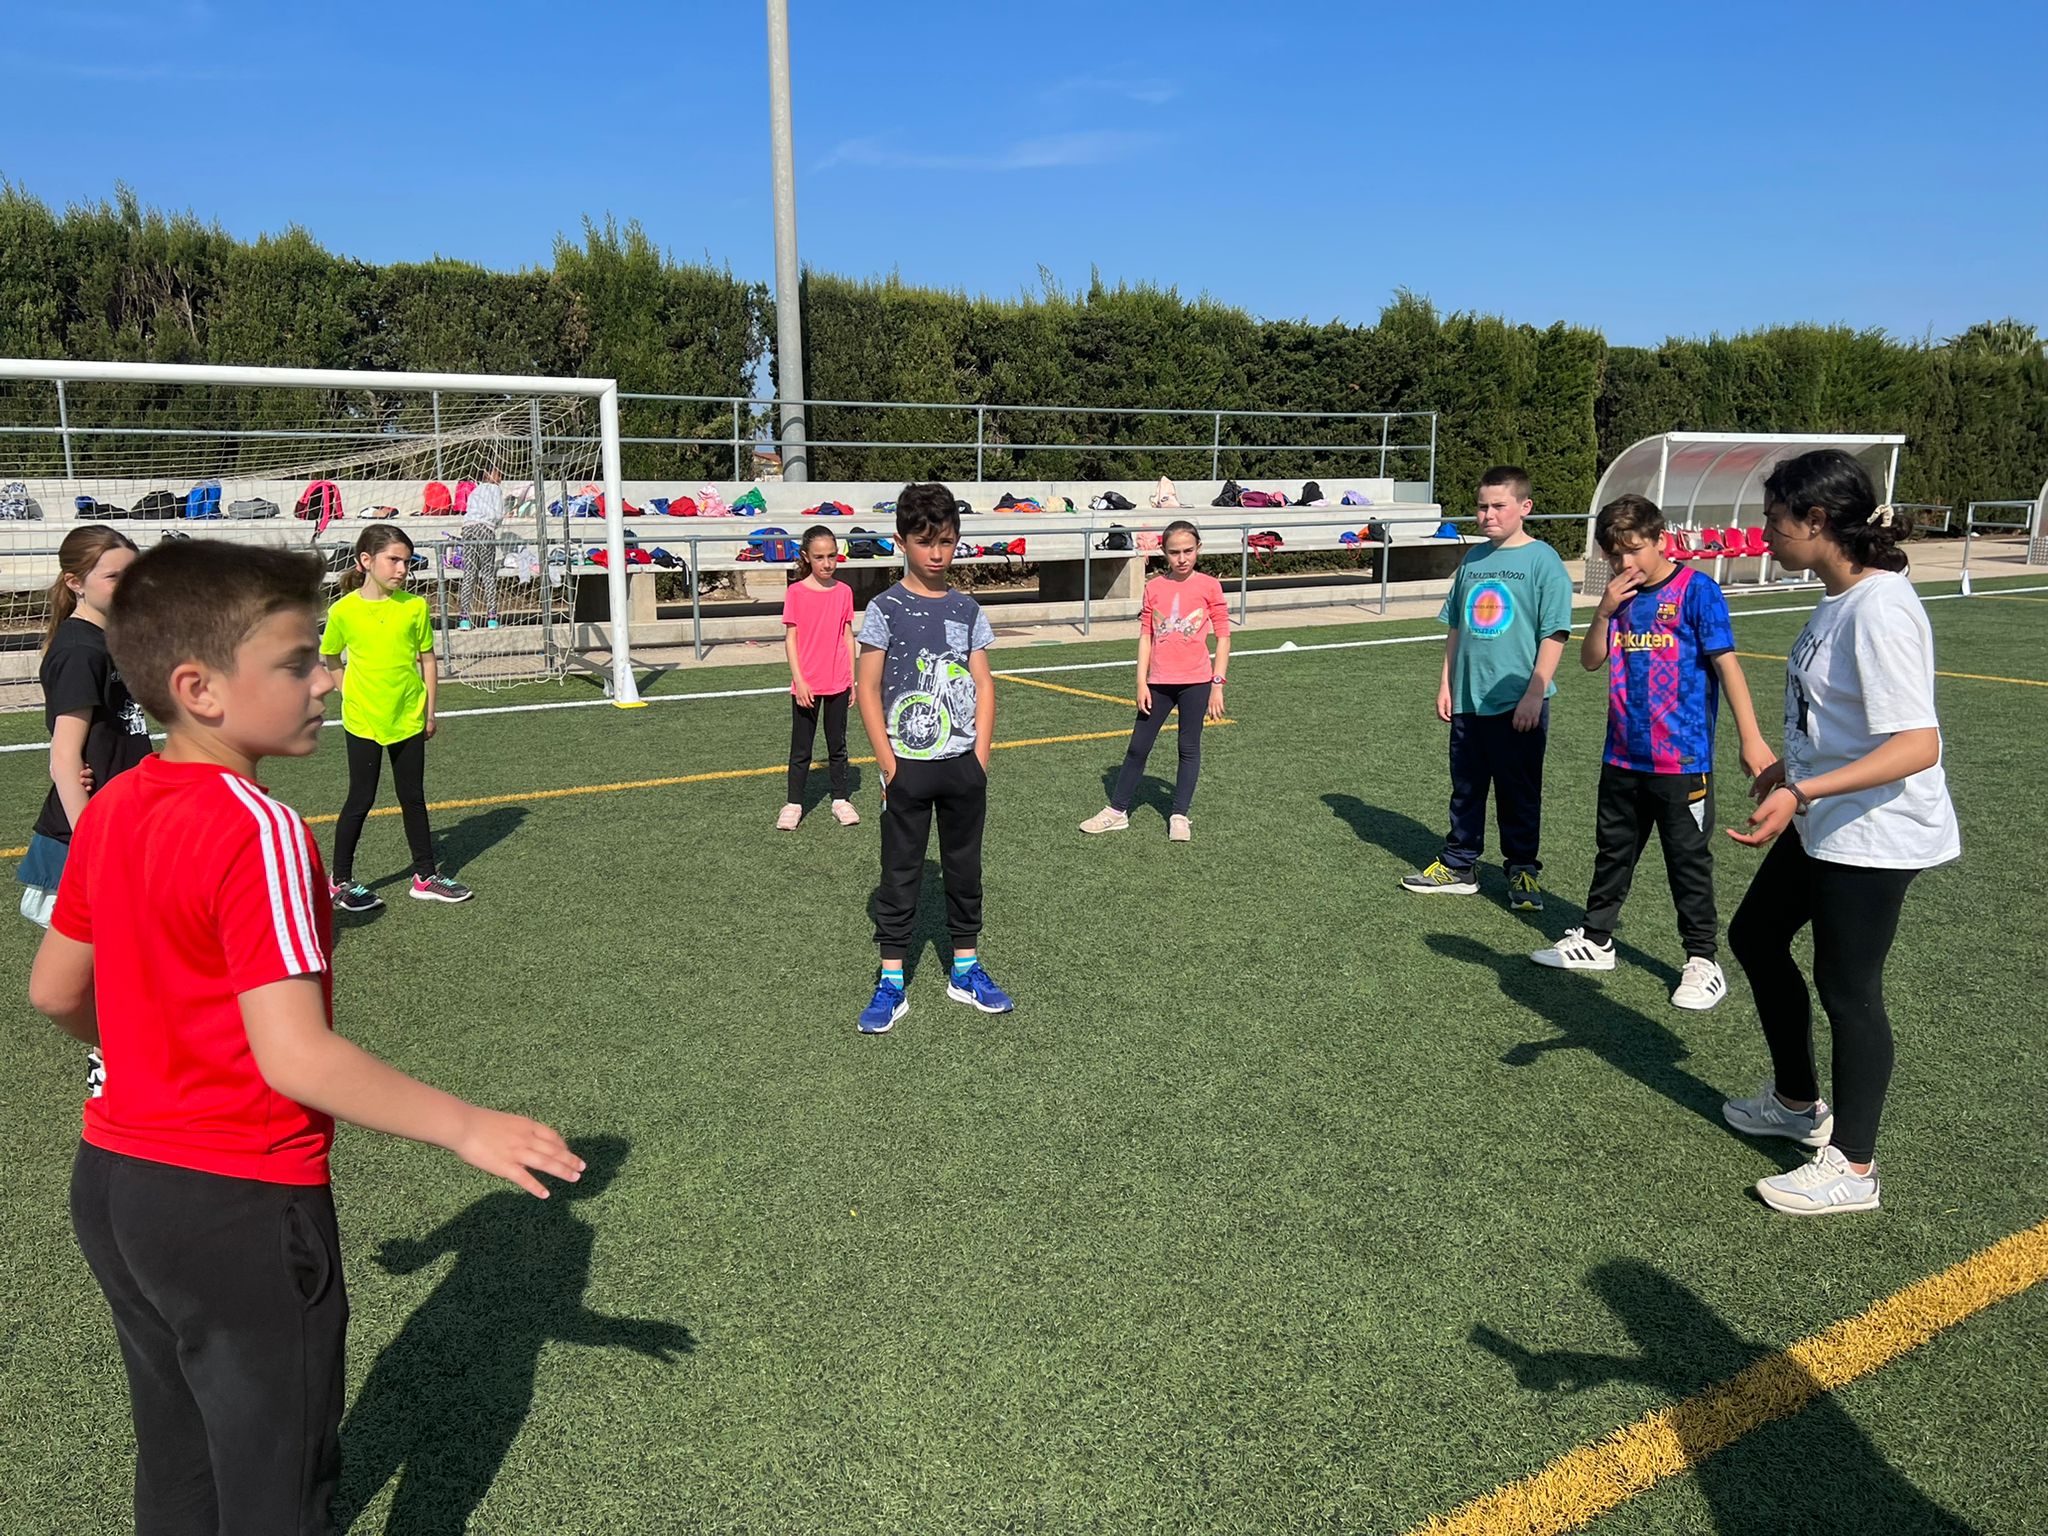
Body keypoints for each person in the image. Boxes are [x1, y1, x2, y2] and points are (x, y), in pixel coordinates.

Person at [27, 538, 583, 1535]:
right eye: (297, 663)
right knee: (277, 1496)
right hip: (235, 1205)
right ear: (199, 689)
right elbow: (296, 1056)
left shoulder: (113, 808)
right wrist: (465, 1125)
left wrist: (146, 1051)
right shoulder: (261, 829)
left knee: (179, 1466)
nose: (325, 679)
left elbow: (53, 991)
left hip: (114, 1187)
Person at [1719, 450, 1959, 1215]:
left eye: (1773, 520)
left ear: (1816, 520)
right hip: (1826, 815)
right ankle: (1796, 1103)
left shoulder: (1880, 607)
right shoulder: (1840, 599)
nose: (1765, 534)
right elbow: (1839, 718)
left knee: (1848, 989)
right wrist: (1788, 770)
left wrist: (1803, 788)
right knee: (1757, 936)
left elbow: (1916, 745)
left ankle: (1854, 1166)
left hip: (1876, 830)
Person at [1530, 494, 1774, 1008]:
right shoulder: (1618, 597)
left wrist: (1750, 738)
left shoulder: (1697, 591)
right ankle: (1596, 939)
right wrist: (1603, 611)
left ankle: (1702, 960)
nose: (1625, 562)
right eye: (1615, 554)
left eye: (1634, 549)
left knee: (1687, 860)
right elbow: (1591, 661)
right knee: (1613, 851)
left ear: (1661, 540)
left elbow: (1727, 666)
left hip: (1681, 760)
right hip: (1622, 753)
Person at [853, 482, 1013, 1033]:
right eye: (925, 542)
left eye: (946, 541)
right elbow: (866, 686)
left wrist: (980, 757)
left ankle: (965, 970)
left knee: (965, 871)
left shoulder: (967, 609)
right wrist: (887, 763)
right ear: (902, 542)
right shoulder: (885, 608)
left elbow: (984, 682)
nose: (937, 553)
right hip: (907, 767)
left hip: (962, 766)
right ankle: (891, 980)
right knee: (899, 875)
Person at [1402, 467, 1574, 909]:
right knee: (1466, 787)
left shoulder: (1543, 560)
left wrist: (1534, 693)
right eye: (1482, 506)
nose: (1488, 514)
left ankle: (1522, 869)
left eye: (1499, 505)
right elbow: (1456, 627)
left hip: (1518, 701)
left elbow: (1554, 632)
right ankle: (1460, 865)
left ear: (1525, 507)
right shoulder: (1473, 560)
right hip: (1469, 698)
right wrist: (1446, 683)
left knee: (1519, 791)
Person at [322, 524, 472, 910]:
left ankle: (425, 876)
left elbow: (427, 660)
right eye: (393, 560)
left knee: (413, 797)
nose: (402, 569)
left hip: (408, 716)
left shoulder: (414, 607)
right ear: (366, 560)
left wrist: (429, 711)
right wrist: (348, 694)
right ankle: (339, 880)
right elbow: (331, 657)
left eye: (407, 561)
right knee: (361, 798)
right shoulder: (343, 611)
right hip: (364, 720)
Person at [19, 526, 150, 932]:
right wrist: (92, 845)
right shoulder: (81, 651)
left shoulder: (108, 640)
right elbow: (64, 756)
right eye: (113, 577)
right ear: (75, 583)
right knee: (93, 962)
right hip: (88, 833)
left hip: (121, 822)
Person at [1079, 519, 1230, 842]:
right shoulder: (1154, 588)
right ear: (1164, 552)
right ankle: (1117, 811)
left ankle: (1179, 815)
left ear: (1199, 549)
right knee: (1138, 748)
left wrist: (1217, 684)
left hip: (1196, 682)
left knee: (1188, 748)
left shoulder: (1209, 586)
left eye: (1188, 551)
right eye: (1174, 552)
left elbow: (1223, 637)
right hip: (1159, 682)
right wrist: (1141, 682)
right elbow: (1146, 636)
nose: (1182, 558)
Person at [778, 525, 860, 831]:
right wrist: (799, 680)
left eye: (832, 556)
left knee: (837, 744)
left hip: (838, 680)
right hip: (807, 684)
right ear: (806, 557)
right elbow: (791, 638)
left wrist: (852, 678)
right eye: (819, 557)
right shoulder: (796, 592)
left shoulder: (844, 592)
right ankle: (794, 804)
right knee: (802, 748)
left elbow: (847, 636)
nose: (827, 563)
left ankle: (840, 799)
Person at [457, 464, 505, 630]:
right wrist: (497, 522)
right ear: (488, 476)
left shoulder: (475, 490)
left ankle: (464, 618)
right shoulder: (495, 490)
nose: (500, 478)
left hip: (468, 528)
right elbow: (498, 514)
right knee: (487, 573)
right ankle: (492, 617)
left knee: (469, 573)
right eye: (498, 474)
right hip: (485, 529)